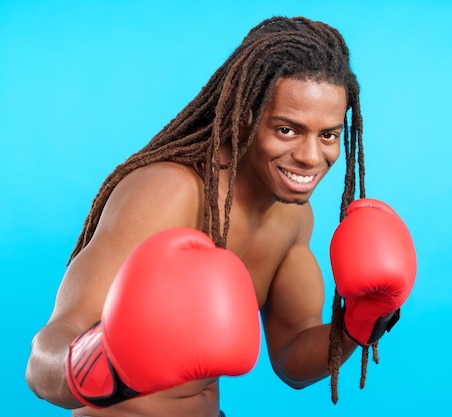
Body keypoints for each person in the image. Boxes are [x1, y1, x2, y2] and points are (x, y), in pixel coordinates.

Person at [25, 16, 417, 417]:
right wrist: (102, 368)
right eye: (287, 130)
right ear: (246, 114)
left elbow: (294, 355)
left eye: (328, 135)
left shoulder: (295, 218)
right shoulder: (170, 191)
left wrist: (359, 323)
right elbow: (44, 362)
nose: (311, 157)